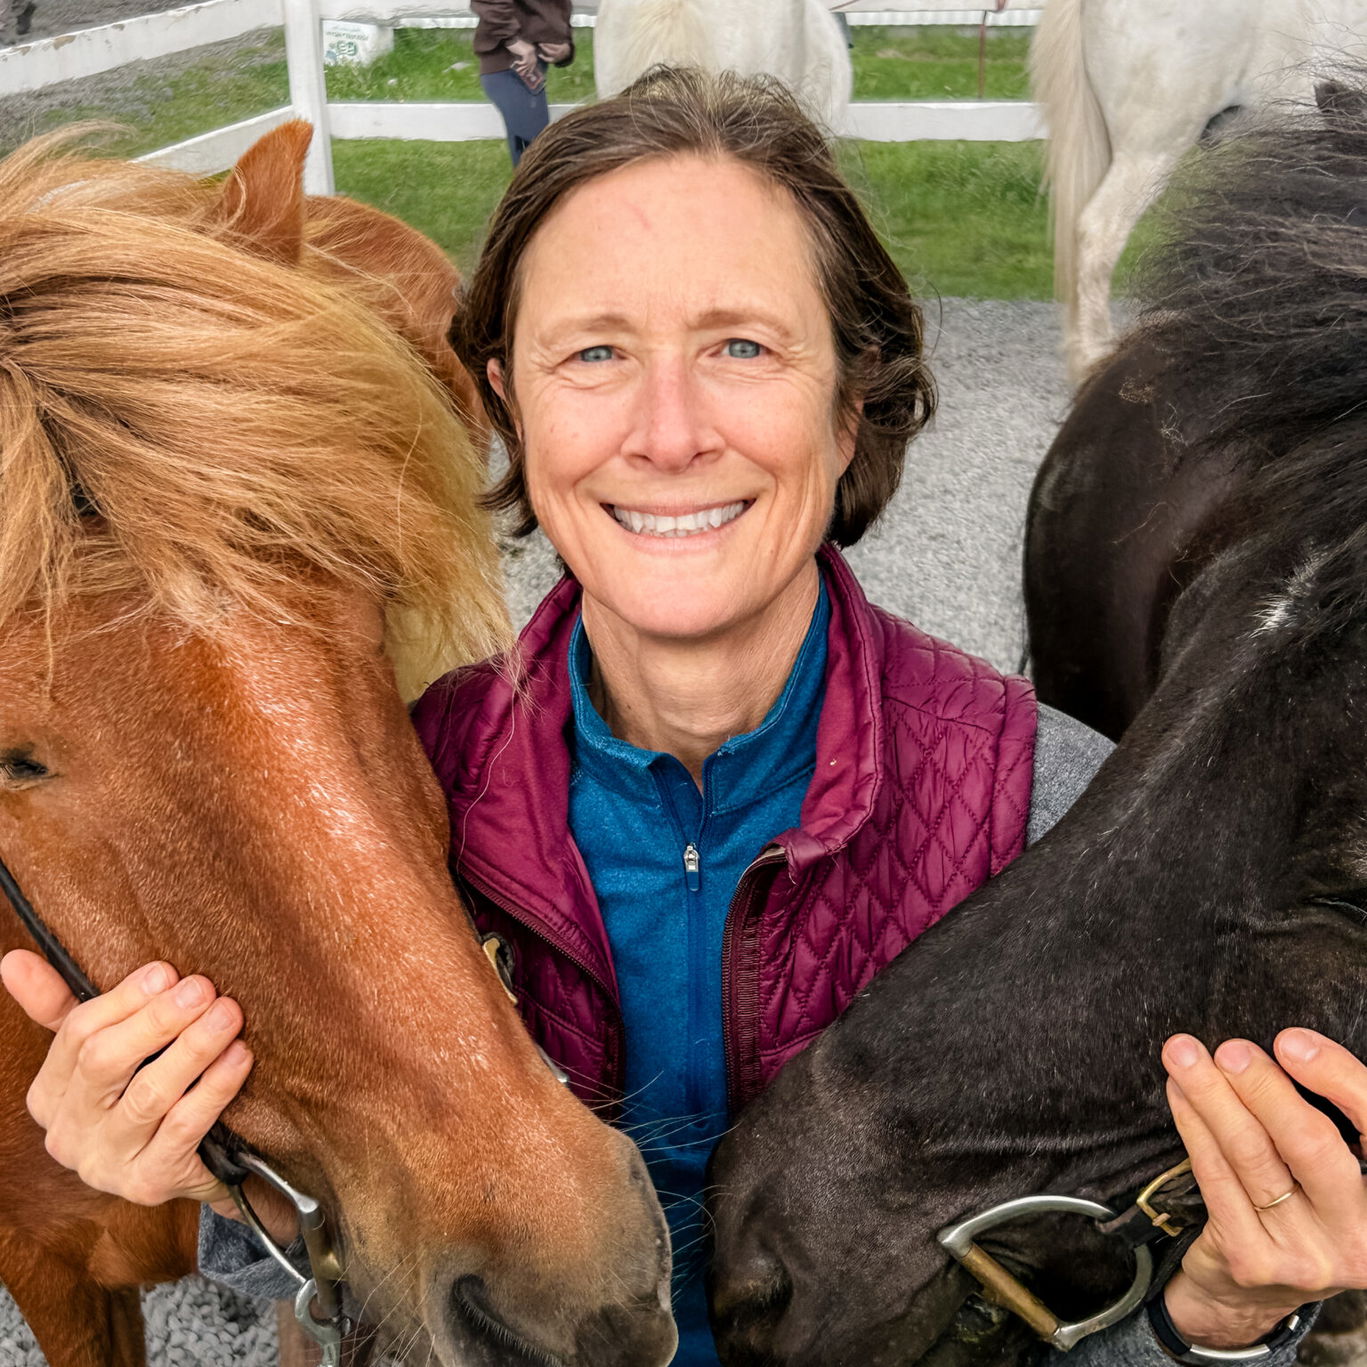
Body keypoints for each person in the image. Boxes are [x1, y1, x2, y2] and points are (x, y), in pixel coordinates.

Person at [4, 69, 1367, 1367]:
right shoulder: (362, 799)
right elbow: (343, 1270)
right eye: (592, 351)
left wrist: (1223, 1310)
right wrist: (225, 1185)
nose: (666, 430)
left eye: (740, 344)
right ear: (504, 409)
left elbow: (1088, 1304)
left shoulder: (1058, 815)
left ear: (851, 403)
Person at [472, 0, 574, 167]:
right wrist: (512, 41)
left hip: (527, 66)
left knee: (532, 151)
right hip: (508, 65)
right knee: (535, 153)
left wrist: (565, 44)